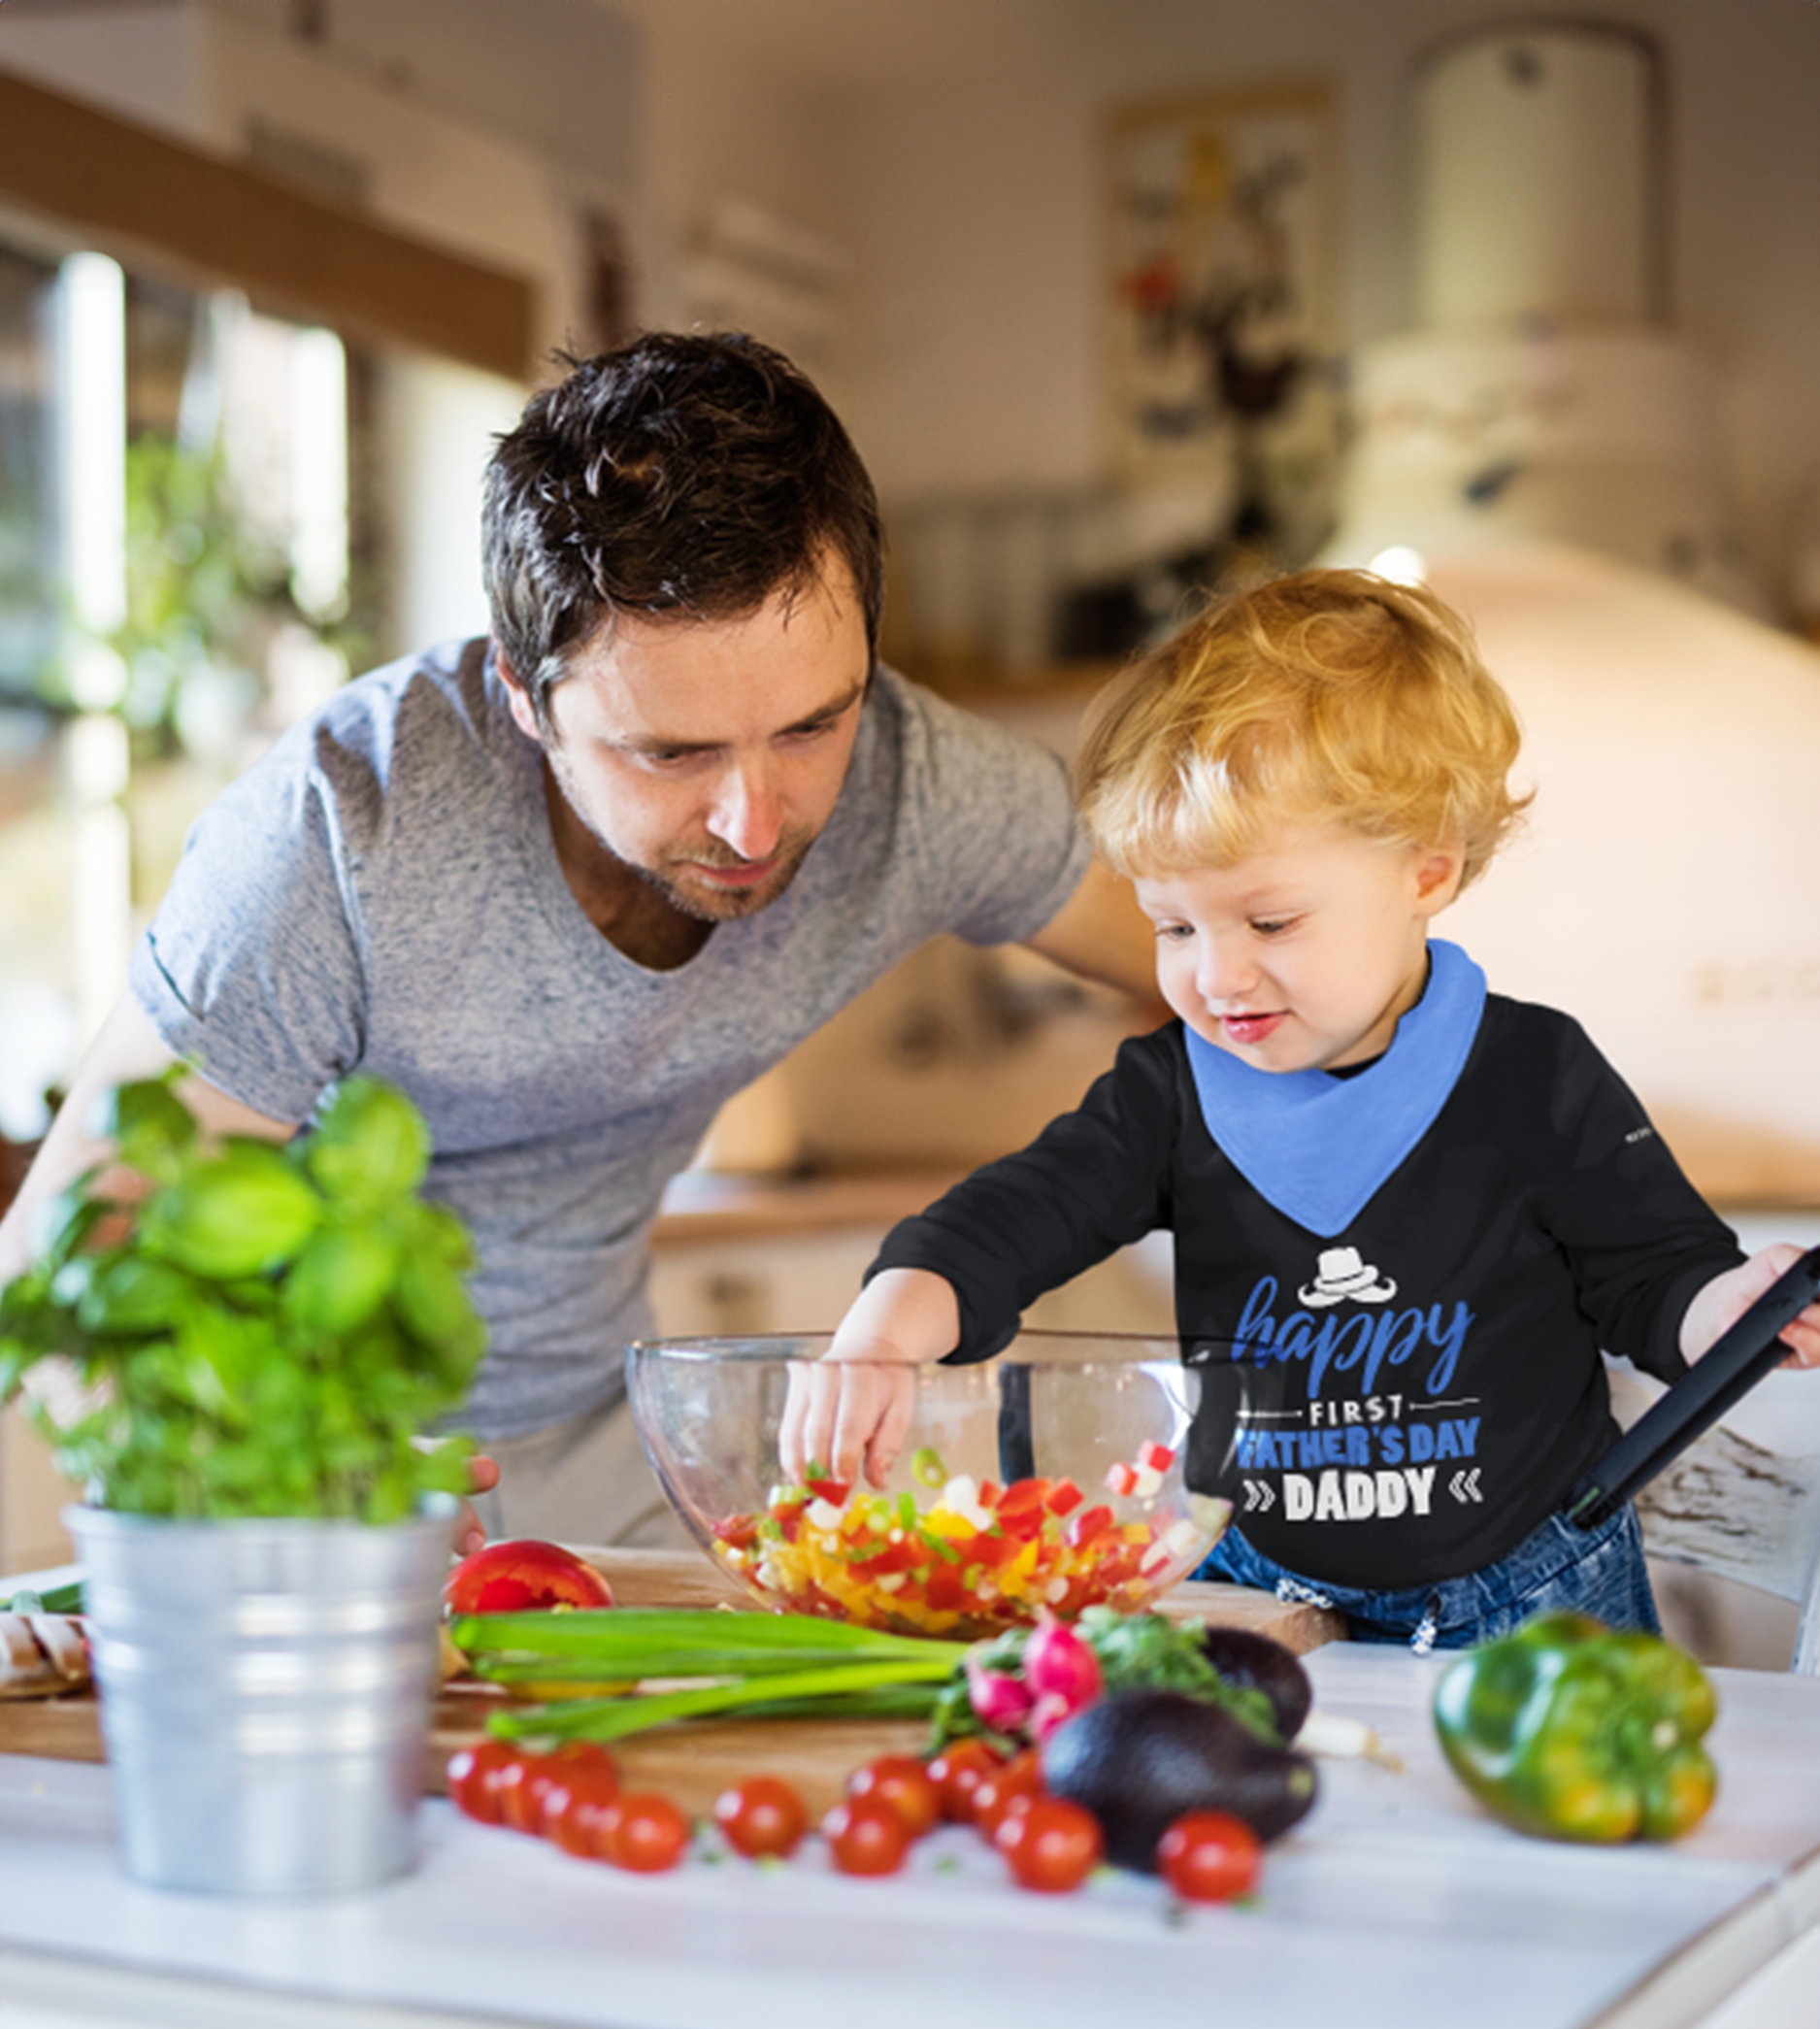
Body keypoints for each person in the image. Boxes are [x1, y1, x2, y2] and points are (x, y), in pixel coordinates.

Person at [0, 331, 1159, 1551]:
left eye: (815, 725)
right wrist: (256, 1518)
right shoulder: (339, 838)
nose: (753, 820)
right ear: (521, 693)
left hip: (617, 1465)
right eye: (673, 752)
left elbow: (1236, 966)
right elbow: (74, 1265)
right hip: (308, 1477)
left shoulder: (919, 786)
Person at [783, 567, 1820, 1649]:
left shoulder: (1532, 1072)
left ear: (1426, 872)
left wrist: (1732, 1312)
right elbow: (1020, 1213)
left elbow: (1653, 1278)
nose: (1218, 978)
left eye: (1269, 923)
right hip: (1259, 1590)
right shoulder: (1173, 1092)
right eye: (1174, 927)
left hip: (1527, 1593)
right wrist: (885, 1329)